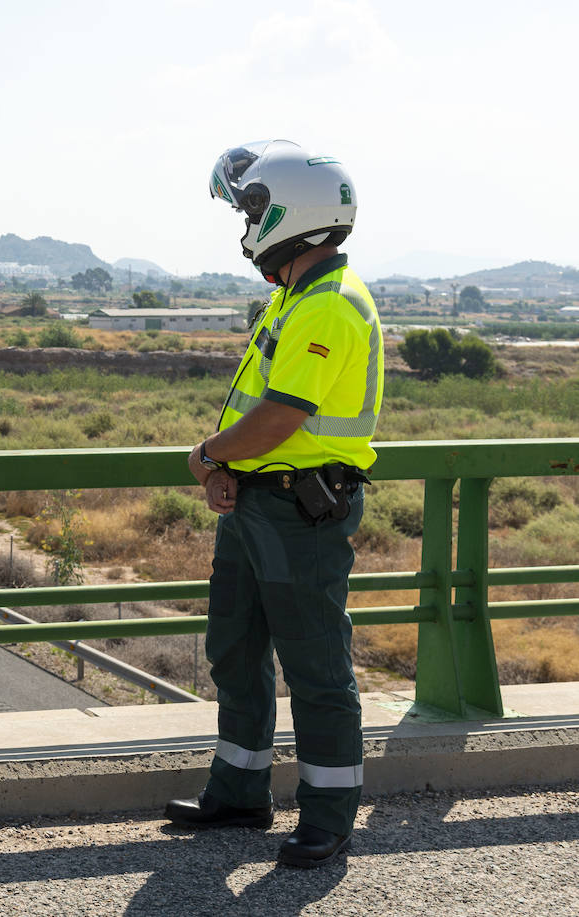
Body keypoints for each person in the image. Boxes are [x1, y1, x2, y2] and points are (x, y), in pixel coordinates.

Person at [164, 140, 383, 869]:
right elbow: (261, 413)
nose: (246, 220)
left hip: (302, 511)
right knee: (235, 646)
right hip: (260, 502)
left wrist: (209, 456)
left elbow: (279, 417)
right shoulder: (294, 296)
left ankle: (328, 815)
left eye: (255, 206)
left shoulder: (326, 305)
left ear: (293, 214)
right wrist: (229, 472)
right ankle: (240, 791)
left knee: (316, 666)